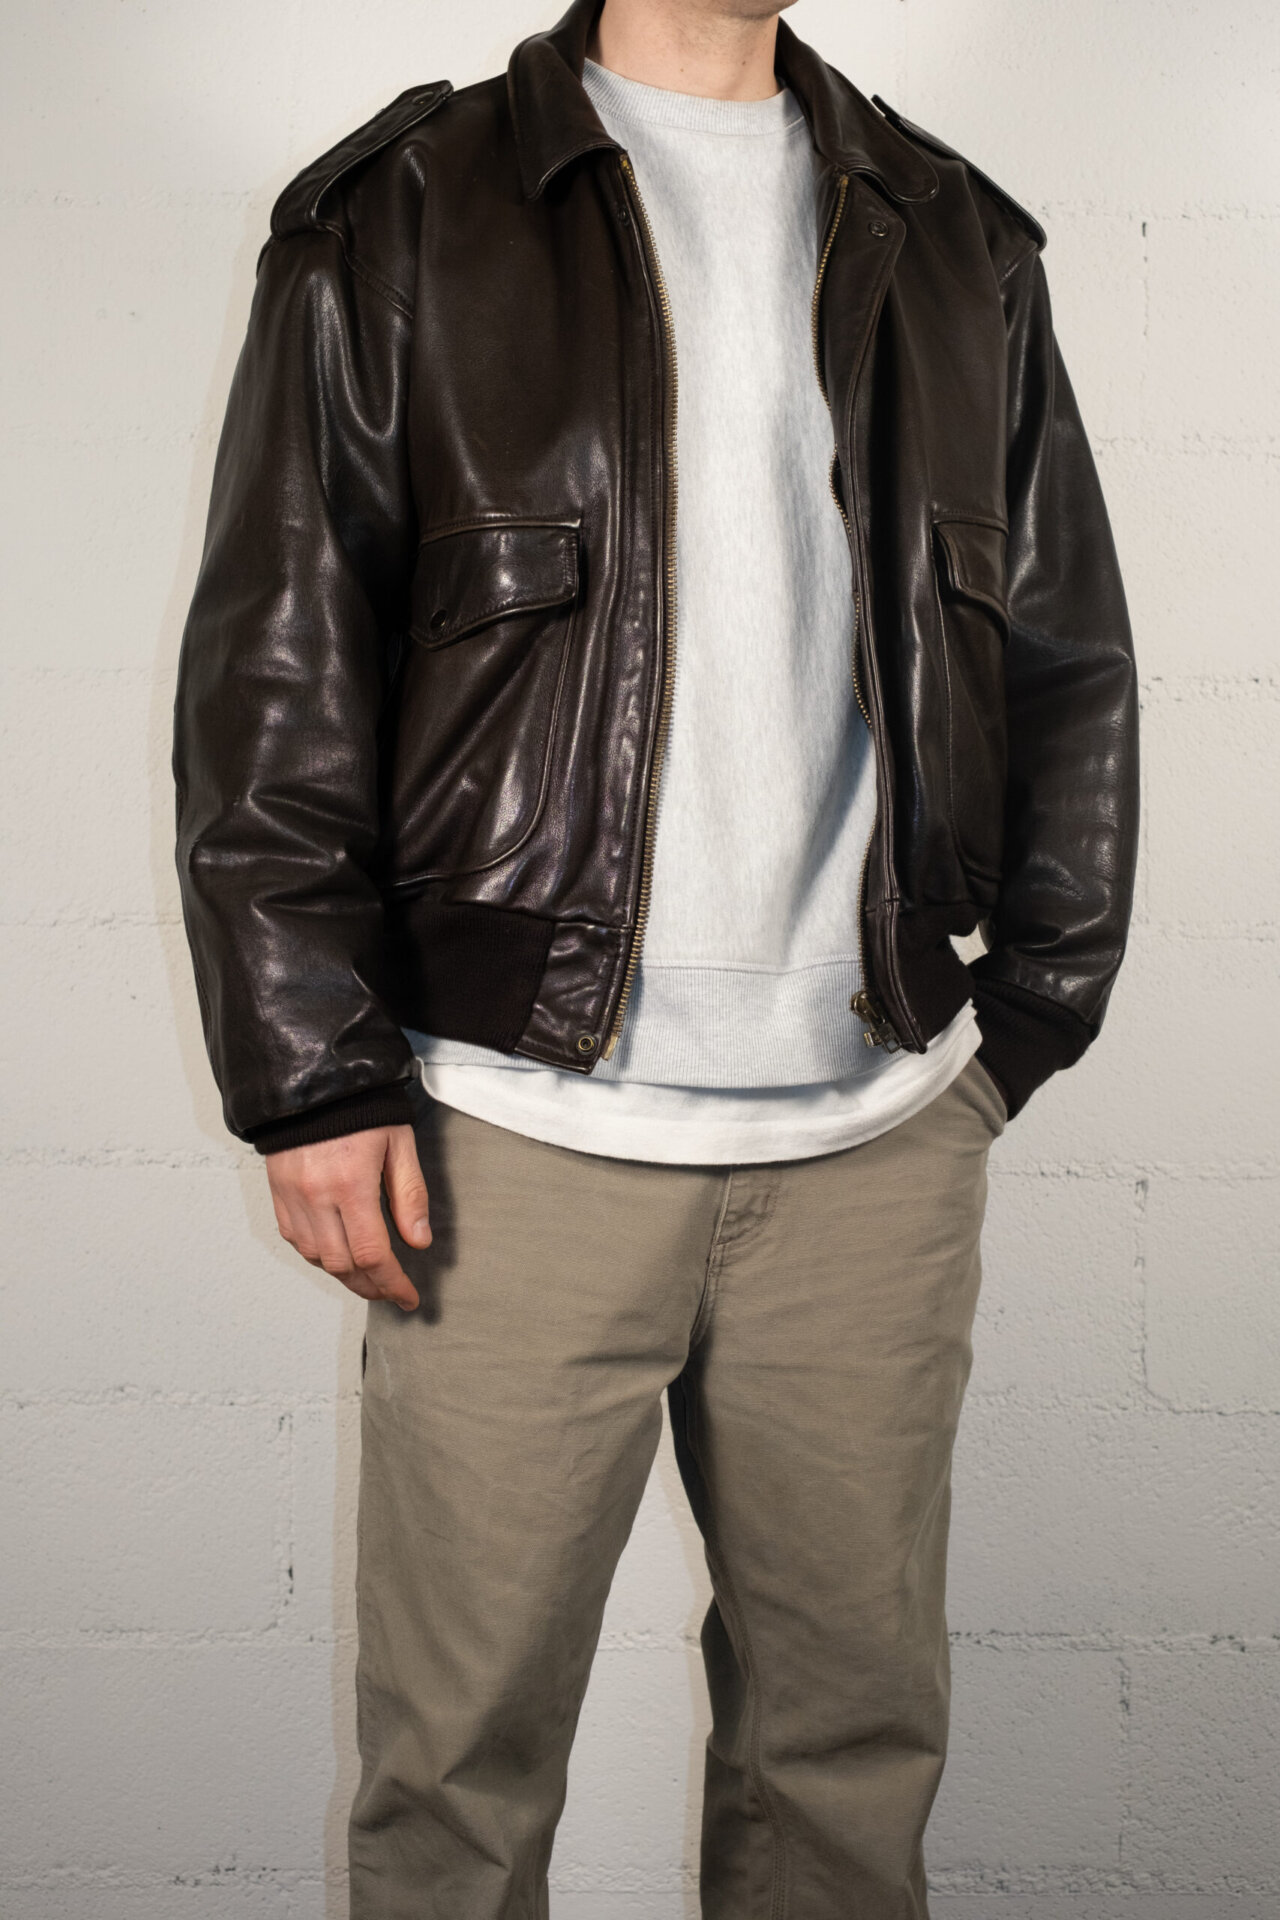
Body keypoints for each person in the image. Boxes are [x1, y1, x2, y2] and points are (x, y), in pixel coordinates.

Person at [172, 0, 1140, 1910]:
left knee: (848, 1767)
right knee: (458, 1782)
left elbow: (1066, 661)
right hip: (509, 1131)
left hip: (876, 1137)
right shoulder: (406, 208)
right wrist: (312, 1074)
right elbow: (280, 660)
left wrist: (1028, 1014)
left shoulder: (958, 237)